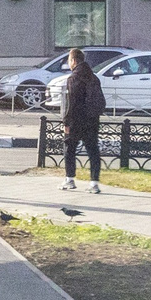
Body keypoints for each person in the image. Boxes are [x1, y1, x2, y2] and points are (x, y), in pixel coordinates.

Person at [60, 46, 106, 192]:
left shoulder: (73, 78)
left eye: (69, 60)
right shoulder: (94, 77)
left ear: (73, 61)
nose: (69, 63)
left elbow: (71, 102)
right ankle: (94, 183)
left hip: (76, 120)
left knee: (69, 149)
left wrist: (66, 122)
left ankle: (70, 179)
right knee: (93, 150)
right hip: (92, 119)